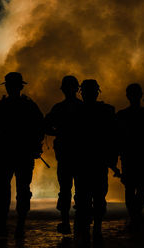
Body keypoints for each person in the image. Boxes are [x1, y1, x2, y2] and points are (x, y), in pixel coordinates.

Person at [0, 72, 45, 238]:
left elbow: (39, 128)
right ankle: (15, 223)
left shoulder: (3, 106)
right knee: (14, 190)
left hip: (12, 154)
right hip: (16, 154)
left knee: (11, 189)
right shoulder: (27, 105)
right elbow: (40, 127)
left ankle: (13, 223)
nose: (12, 89)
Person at [75, 79, 117, 244]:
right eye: (87, 91)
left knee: (96, 197)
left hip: (93, 161)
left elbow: (113, 136)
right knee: (88, 197)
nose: (89, 94)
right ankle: (91, 228)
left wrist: (112, 157)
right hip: (87, 161)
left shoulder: (80, 111)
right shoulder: (103, 111)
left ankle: (94, 227)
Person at [117, 84, 144, 229]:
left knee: (135, 188)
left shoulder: (124, 115)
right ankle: (136, 215)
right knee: (138, 187)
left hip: (134, 157)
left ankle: (135, 215)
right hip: (137, 157)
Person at [44, 75, 83, 234]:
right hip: (77, 155)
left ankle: (67, 222)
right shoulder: (82, 107)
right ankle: (75, 223)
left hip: (70, 155)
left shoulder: (59, 108)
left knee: (68, 190)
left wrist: (59, 132)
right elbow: (46, 126)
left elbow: (46, 127)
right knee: (77, 190)